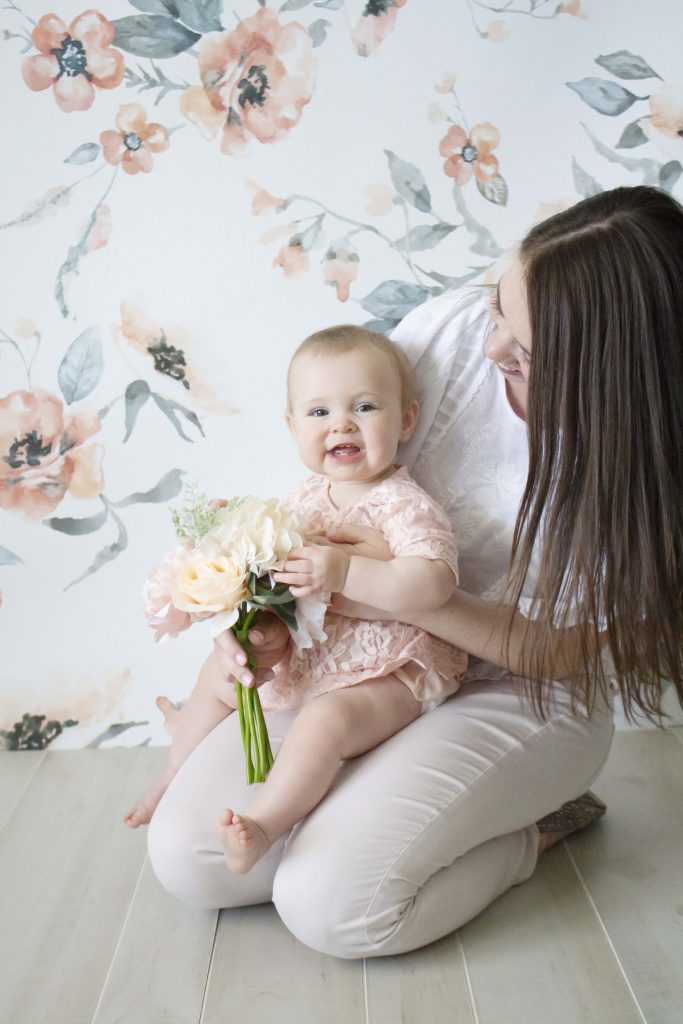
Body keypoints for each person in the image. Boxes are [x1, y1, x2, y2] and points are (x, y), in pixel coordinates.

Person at [146, 186, 682, 958]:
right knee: (192, 863)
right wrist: (267, 617)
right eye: (499, 306)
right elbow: (334, 475)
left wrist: (389, 586)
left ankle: (532, 827)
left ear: (604, 374)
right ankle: (383, 811)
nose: (494, 345)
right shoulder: (457, 335)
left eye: (526, 350)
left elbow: (559, 651)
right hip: (360, 666)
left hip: (519, 686)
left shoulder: (637, 461)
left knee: (329, 906)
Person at [125, 325, 469, 865]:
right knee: (221, 673)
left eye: (364, 406)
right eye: (318, 413)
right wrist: (234, 542)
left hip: (389, 670)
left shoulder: (402, 503)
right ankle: (173, 772)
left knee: (324, 722)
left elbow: (434, 583)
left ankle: (264, 823)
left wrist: (346, 570)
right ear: (292, 426)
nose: (341, 424)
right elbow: (277, 566)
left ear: (406, 420)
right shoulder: (304, 497)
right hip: (313, 661)